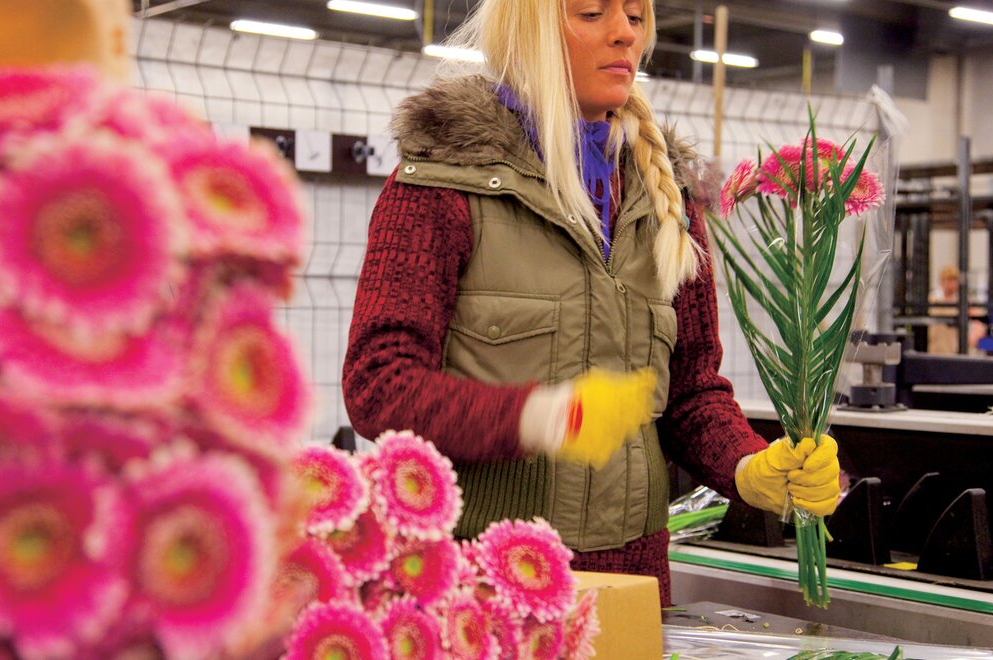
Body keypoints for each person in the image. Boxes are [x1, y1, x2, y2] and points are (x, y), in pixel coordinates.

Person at [342, 0, 841, 606]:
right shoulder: (440, 188)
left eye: (635, 17)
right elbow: (379, 384)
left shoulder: (668, 201)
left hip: (634, 580)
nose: (623, 35)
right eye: (591, 13)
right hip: (483, 582)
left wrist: (750, 468)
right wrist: (539, 418)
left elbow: (690, 393)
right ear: (529, 33)